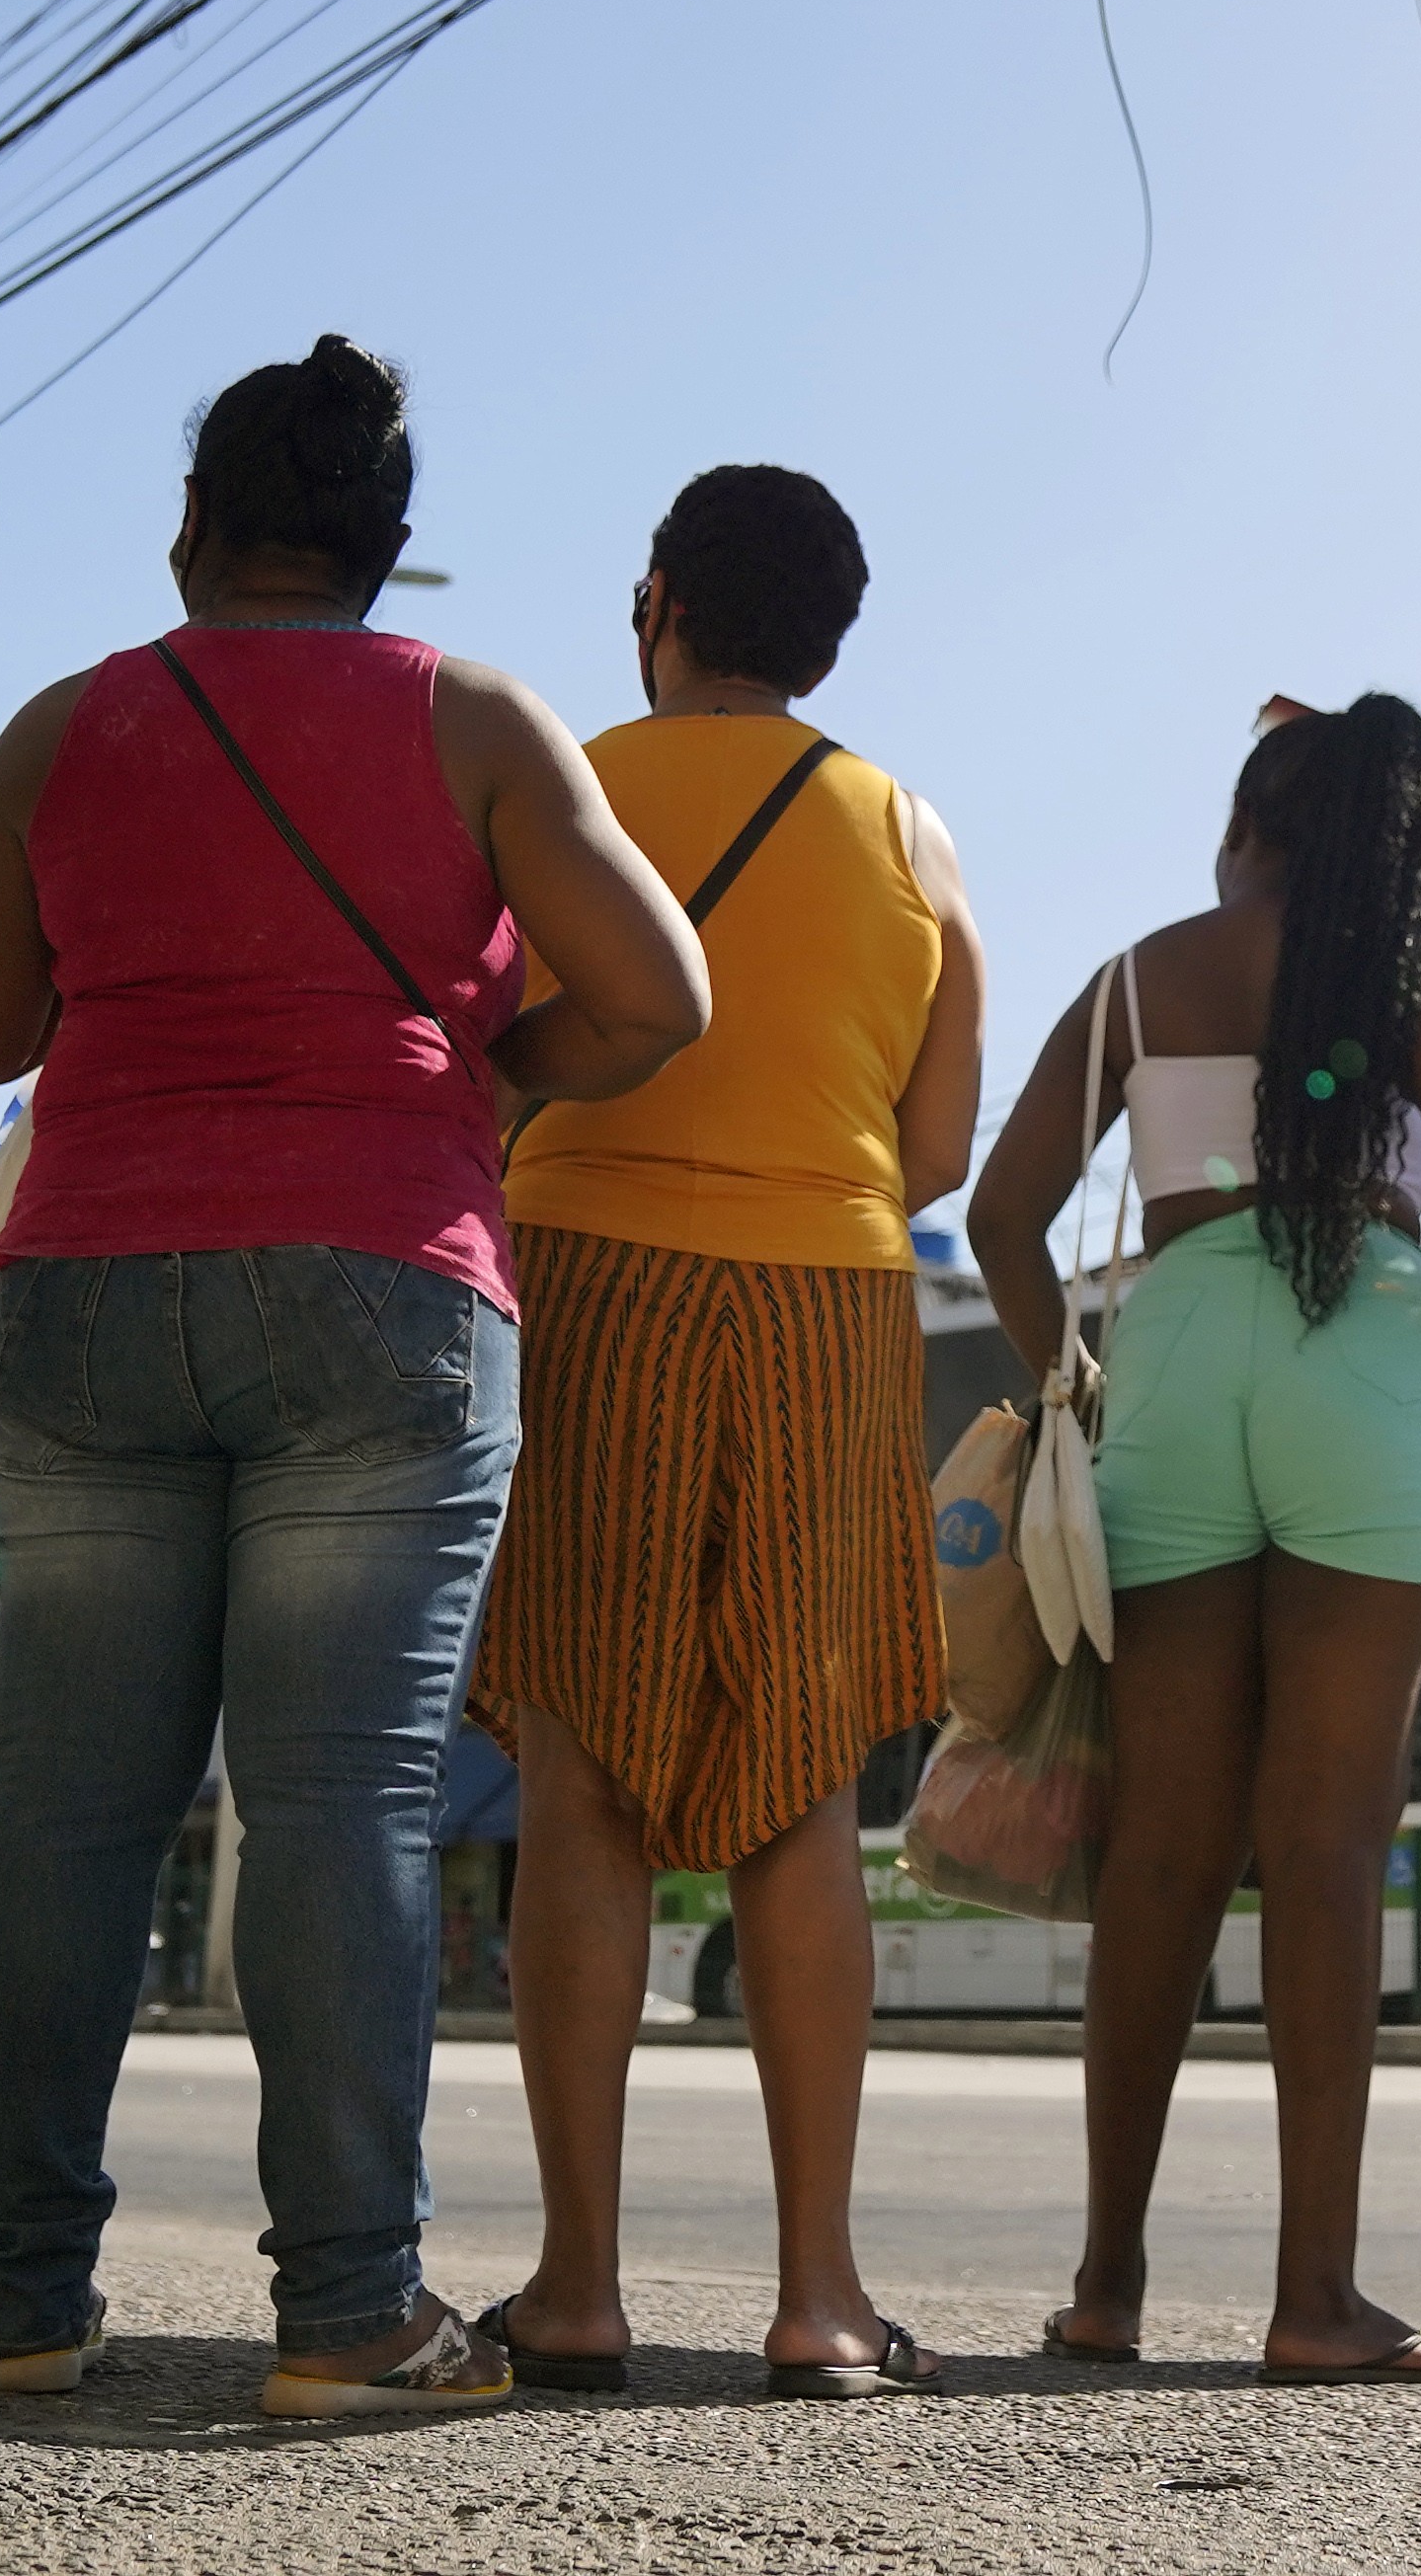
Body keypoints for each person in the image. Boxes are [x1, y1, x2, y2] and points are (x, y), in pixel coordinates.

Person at [0, 341, 709, 2416]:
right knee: (339, 1797)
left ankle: (23, 2293)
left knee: (64, 1802)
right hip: (384, 1280)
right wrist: (483, 1072)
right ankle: (349, 2308)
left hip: (87, 1280)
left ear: (192, 532)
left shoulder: (66, 723)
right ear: (383, 554)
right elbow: (662, 992)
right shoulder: (477, 718)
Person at [471, 464, 987, 2401]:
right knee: (796, 1792)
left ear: (657, 598)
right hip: (827, 1298)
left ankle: (580, 2285)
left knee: (582, 1767)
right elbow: (933, 1146)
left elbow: (486, 1044)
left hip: (584, 1269)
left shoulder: (556, 785)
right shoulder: (912, 834)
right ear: (832, 636)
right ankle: (821, 2297)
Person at [972, 692, 1421, 2382]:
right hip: (1366, 1351)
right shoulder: (1405, 975)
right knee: (1325, 1851)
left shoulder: (1143, 975)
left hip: (1179, 1355)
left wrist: (1067, 1371)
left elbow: (1005, 1214)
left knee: (1163, 1851)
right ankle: (1315, 2303)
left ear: (1248, 829)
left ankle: (1106, 2286)